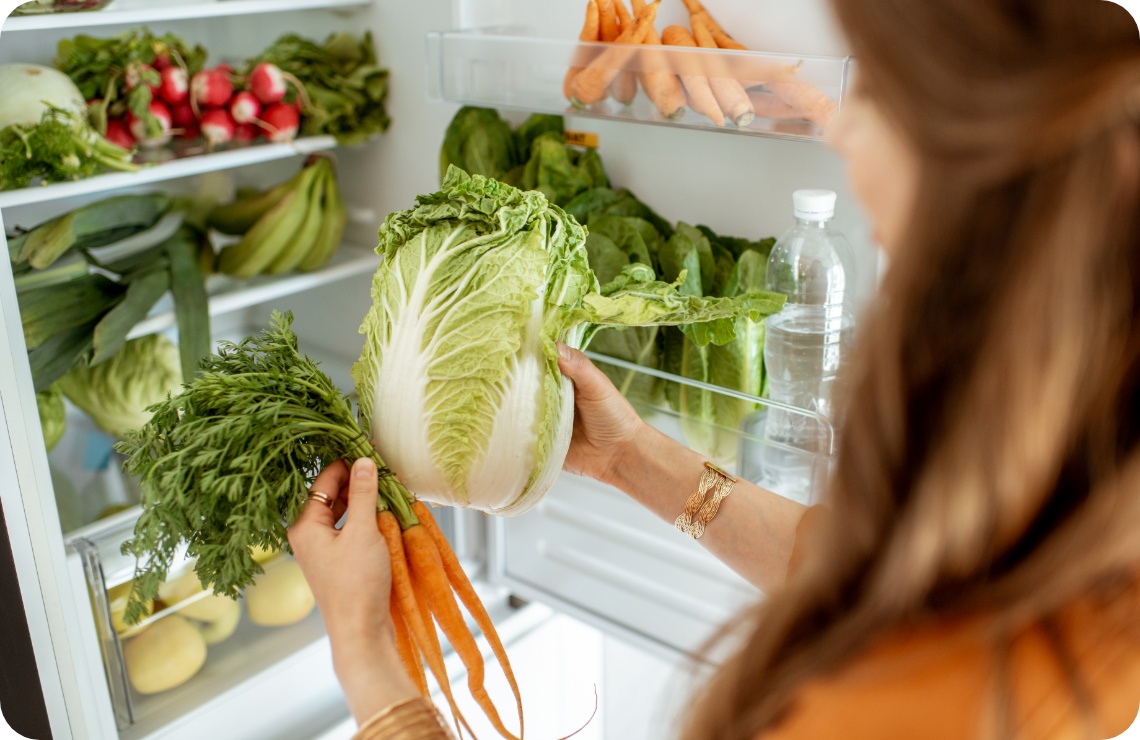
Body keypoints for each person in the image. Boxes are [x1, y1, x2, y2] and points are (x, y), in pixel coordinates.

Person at [286, 0, 1140, 737]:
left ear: (970, 155)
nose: (838, 124)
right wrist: (630, 459)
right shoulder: (1060, 498)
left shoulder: (919, 703)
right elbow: (850, 566)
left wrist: (364, 648)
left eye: (874, 89)